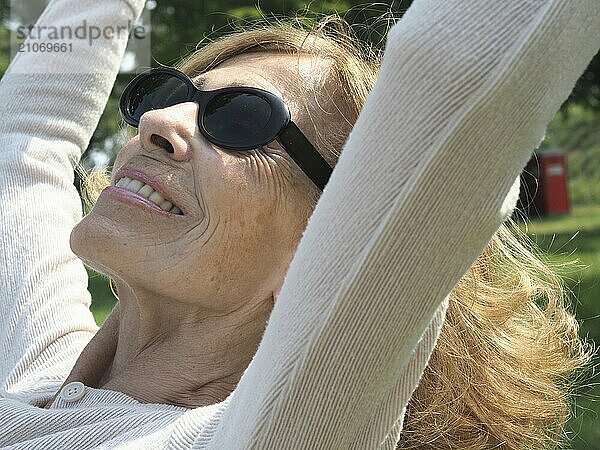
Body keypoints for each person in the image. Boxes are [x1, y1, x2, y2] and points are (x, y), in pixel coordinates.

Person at [0, 0, 598, 448]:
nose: (159, 118)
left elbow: (465, 67)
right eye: (171, 90)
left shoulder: (277, 432)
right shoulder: (38, 370)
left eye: (239, 120)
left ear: (328, 242)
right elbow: (26, 144)